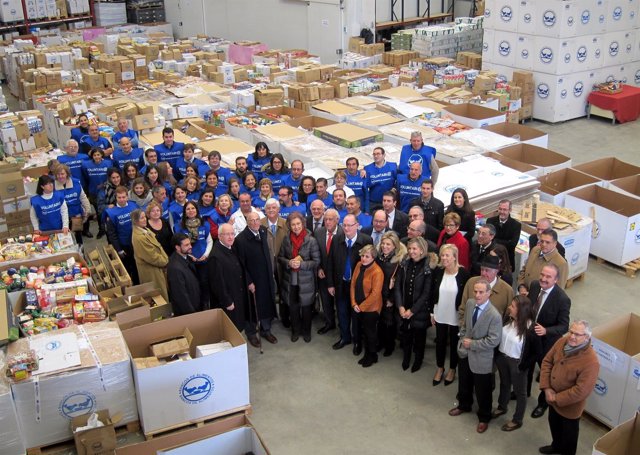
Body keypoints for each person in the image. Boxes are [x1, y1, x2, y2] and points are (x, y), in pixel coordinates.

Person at [448, 278, 502, 434]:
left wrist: (471, 344)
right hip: (465, 354)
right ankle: (464, 405)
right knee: (464, 383)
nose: (477, 295)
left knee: (483, 390)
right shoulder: (471, 304)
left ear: (488, 293)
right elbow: (465, 325)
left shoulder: (494, 316)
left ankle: (484, 417)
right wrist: (461, 338)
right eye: (476, 291)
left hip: (481, 358)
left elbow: (493, 341)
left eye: (481, 292)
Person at [539, 320, 599, 455]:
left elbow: (581, 390)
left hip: (570, 408)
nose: (572, 336)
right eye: (571, 332)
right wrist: (547, 389)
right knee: (554, 426)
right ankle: (556, 446)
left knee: (569, 439)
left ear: (587, 337)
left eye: (578, 334)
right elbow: (547, 361)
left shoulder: (591, 361)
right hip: (552, 399)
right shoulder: (562, 342)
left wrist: (556, 398)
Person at [529, 264, 572, 420]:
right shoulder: (534, 286)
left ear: (556, 280)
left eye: (548, 277)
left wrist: (547, 331)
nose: (543, 279)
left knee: (546, 373)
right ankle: (523, 391)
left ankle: (543, 404)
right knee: (526, 365)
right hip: (529, 337)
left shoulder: (562, 299)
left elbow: (564, 326)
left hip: (547, 343)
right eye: (542, 274)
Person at [493, 295, 541, 432]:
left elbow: (537, 353)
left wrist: (523, 366)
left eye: (513, 306)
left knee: (520, 393)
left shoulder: (531, 329)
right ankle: (502, 407)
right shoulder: (508, 319)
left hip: (517, 363)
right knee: (504, 384)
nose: (509, 308)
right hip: (502, 358)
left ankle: (517, 420)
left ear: (521, 310)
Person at [326, 214, 373, 352]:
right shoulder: (336, 239)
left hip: (357, 288)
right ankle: (345, 337)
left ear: (357, 226)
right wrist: (330, 284)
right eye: (344, 225)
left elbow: (370, 265)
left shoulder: (366, 240)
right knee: (342, 313)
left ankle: (357, 342)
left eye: (349, 225)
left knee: (356, 315)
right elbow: (330, 263)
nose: (346, 228)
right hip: (341, 284)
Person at [234, 211, 278, 347]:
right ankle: (252, 333)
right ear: (247, 222)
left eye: (257, 220)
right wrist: (248, 281)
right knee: (252, 307)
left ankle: (266, 329)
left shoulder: (263, 231)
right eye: (252, 220)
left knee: (265, 303)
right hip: (252, 280)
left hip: (265, 276)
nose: (255, 223)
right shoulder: (241, 239)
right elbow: (240, 264)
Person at [429, 244, 470, 387]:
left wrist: (463, 317)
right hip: (440, 312)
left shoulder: (464, 274)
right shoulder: (439, 272)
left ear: (454, 257)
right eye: (442, 255)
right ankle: (440, 368)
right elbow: (433, 293)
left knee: (454, 344)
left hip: (455, 316)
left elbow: (466, 298)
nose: (444, 258)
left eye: (447, 255)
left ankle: (452, 369)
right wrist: (432, 312)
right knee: (440, 342)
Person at [278, 212, 321, 342]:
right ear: (289, 226)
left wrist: (302, 264)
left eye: (298, 224)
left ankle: (306, 332)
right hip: (290, 280)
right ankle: (295, 331)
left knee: (307, 308)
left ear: (303, 224)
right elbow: (280, 258)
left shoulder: (311, 240)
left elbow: (316, 261)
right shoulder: (286, 239)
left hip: (306, 280)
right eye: (293, 225)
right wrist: (288, 262)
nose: (296, 227)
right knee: (293, 307)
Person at [394, 237, 433, 373]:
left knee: (420, 337)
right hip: (404, 306)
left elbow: (426, 293)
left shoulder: (427, 267)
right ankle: (406, 358)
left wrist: (413, 310)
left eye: (414, 249)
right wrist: (400, 306)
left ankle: (418, 360)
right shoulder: (405, 264)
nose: (411, 251)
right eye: (409, 248)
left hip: (419, 310)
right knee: (406, 335)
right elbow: (398, 286)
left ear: (422, 250)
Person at [209, 223, 248, 331]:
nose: (231, 237)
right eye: (227, 234)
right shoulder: (215, 256)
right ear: (220, 236)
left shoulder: (230, 247)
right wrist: (227, 301)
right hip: (228, 301)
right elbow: (217, 283)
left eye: (232, 234)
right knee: (231, 330)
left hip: (237, 294)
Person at [350, 244, 384, 367]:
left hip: (371, 308)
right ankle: (369, 354)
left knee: (370, 333)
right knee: (361, 331)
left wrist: (362, 307)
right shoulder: (359, 265)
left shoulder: (377, 271)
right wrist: (354, 303)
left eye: (367, 256)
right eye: (362, 256)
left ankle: (371, 355)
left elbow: (375, 294)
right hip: (357, 305)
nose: (363, 259)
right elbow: (353, 284)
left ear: (373, 257)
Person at [175, 201, 213, 310]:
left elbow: (209, 241)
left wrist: (206, 255)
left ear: (197, 210)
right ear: (185, 212)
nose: (191, 211)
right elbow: (178, 245)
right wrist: (189, 256)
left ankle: (205, 306)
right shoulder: (179, 226)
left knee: (204, 284)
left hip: (203, 261)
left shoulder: (204, 224)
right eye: (188, 209)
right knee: (192, 286)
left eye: (193, 208)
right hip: (188, 262)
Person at [375, 232, 406, 357]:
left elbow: (398, 283)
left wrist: (392, 299)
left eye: (388, 244)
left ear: (395, 246)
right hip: (379, 295)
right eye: (383, 243)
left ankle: (389, 345)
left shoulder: (399, 262)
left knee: (390, 323)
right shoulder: (379, 257)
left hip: (390, 297)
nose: (384, 246)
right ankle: (381, 342)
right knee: (380, 321)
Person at [261, 198, 289, 328]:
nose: (271, 210)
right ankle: (269, 316)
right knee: (267, 291)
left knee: (284, 290)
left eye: (274, 208)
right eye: (268, 208)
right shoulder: (259, 224)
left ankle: (285, 316)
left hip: (282, 264)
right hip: (265, 264)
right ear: (265, 210)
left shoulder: (286, 224)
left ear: (279, 210)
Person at [131, 209, 169, 300]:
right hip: (152, 271)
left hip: (157, 267)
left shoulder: (144, 229)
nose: (145, 219)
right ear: (136, 221)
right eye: (141, 218)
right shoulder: (139, 237)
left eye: (145, 217)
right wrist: (166, 261)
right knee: (159, 295)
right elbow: (152, 257)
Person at [314, 208, 342, 335]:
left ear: (337, 220)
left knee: (341, 303)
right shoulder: (318, 232)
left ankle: (343, 327)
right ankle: (329, 323)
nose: (328, 222)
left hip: (339, 276)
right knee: (325, 301)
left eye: (331, 219)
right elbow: (315, 253)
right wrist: (318, 267)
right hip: (323, 274)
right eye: (325, 219)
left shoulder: (343, 232)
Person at [105, 186, 139, 284]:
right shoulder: (111, 213)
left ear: (127, 197)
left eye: (123, 197)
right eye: (119, 197)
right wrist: (118, 249)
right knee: (126, 268)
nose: (121, 199)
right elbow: (112, 234)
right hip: (123, 245)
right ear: (116, 198)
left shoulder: (134, 206)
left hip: (136, 241)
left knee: (137, 265)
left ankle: (138, 283)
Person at [53, 164, 90, 244]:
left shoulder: (76, 183)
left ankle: (81, 254)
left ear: (67, 174)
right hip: (61, 217)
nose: (60, 176)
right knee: (65, 239)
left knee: (78, 237)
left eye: (62, 174)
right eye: (58, 174)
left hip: (76, 215)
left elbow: (83, 197)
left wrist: (87, 210)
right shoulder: (52, 186)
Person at [167, 233, 202, 315]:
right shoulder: (175, 269)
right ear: (177, 247)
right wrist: (192, 313)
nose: (190, 246)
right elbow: (181, 296)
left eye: (190, 243)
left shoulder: (187, 258)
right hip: (188, 312)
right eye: (186, 245)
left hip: (195, 305)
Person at [486, 199, 521, 271]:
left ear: (510, 210)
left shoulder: (516, 225)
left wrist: (494, 240)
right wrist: (506, 242)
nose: (502, 212)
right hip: (490, 259)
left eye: (504, 210)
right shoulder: (490, 221)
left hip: (507, 261)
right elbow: (487, 239)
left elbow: (512, 244)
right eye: (500, 209)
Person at [96, 167, 122, 239]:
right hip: (110, 219)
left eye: (118, 177)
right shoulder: (103, 189)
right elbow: (99, 208)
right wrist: (108, 206)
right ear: (109, 178)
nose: (116, 180)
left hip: (122, 217)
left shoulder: (123, 186)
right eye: (113, 178)